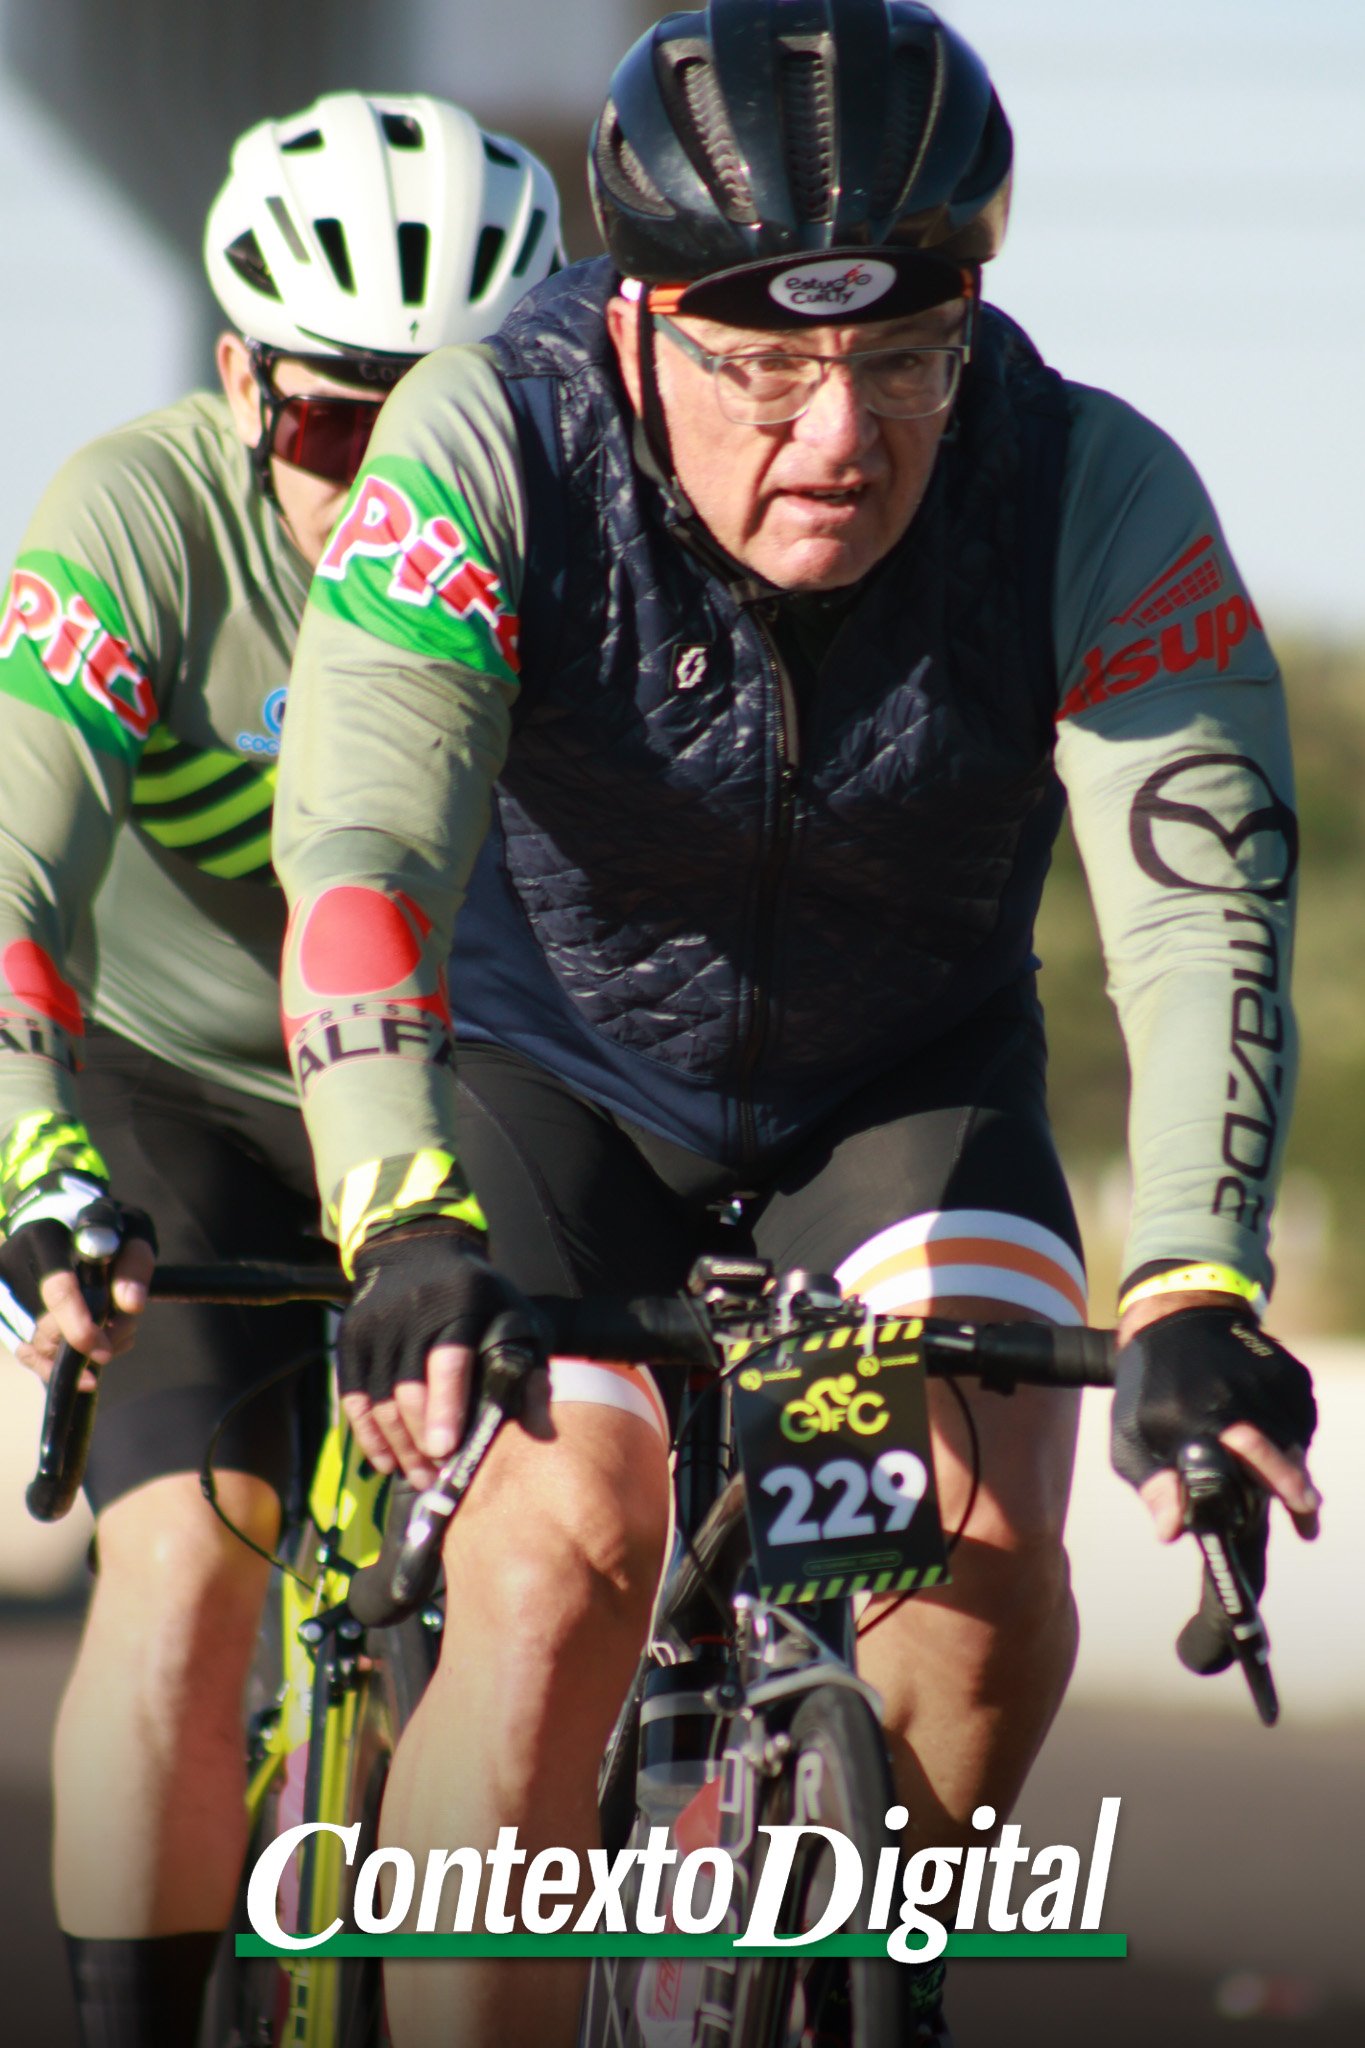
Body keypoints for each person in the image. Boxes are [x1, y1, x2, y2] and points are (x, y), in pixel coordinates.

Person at [273, 5, 1320, 2044]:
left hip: (898, 1090)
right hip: (549, 1079)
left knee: (985, 1571)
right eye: (762, 367)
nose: (836, 436)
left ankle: (839, 1976)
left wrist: (1196, 1283)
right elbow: (360, 848)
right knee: (556, 1564)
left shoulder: (1086, 483)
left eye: (903, 357)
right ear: (638, 320)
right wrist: (396, 1207)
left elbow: (1203, 922)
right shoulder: (497, 436)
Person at [0, 89, 562, 2048]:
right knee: (187, 1564)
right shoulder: (136, 514)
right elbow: (13, 868)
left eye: (452, 421)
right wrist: (33, 1157)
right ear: (240, 379)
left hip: (463, 1094)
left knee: (553, 1583)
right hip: (190, 1090)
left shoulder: (575, 532)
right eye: (338, 424)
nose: (394, 485)